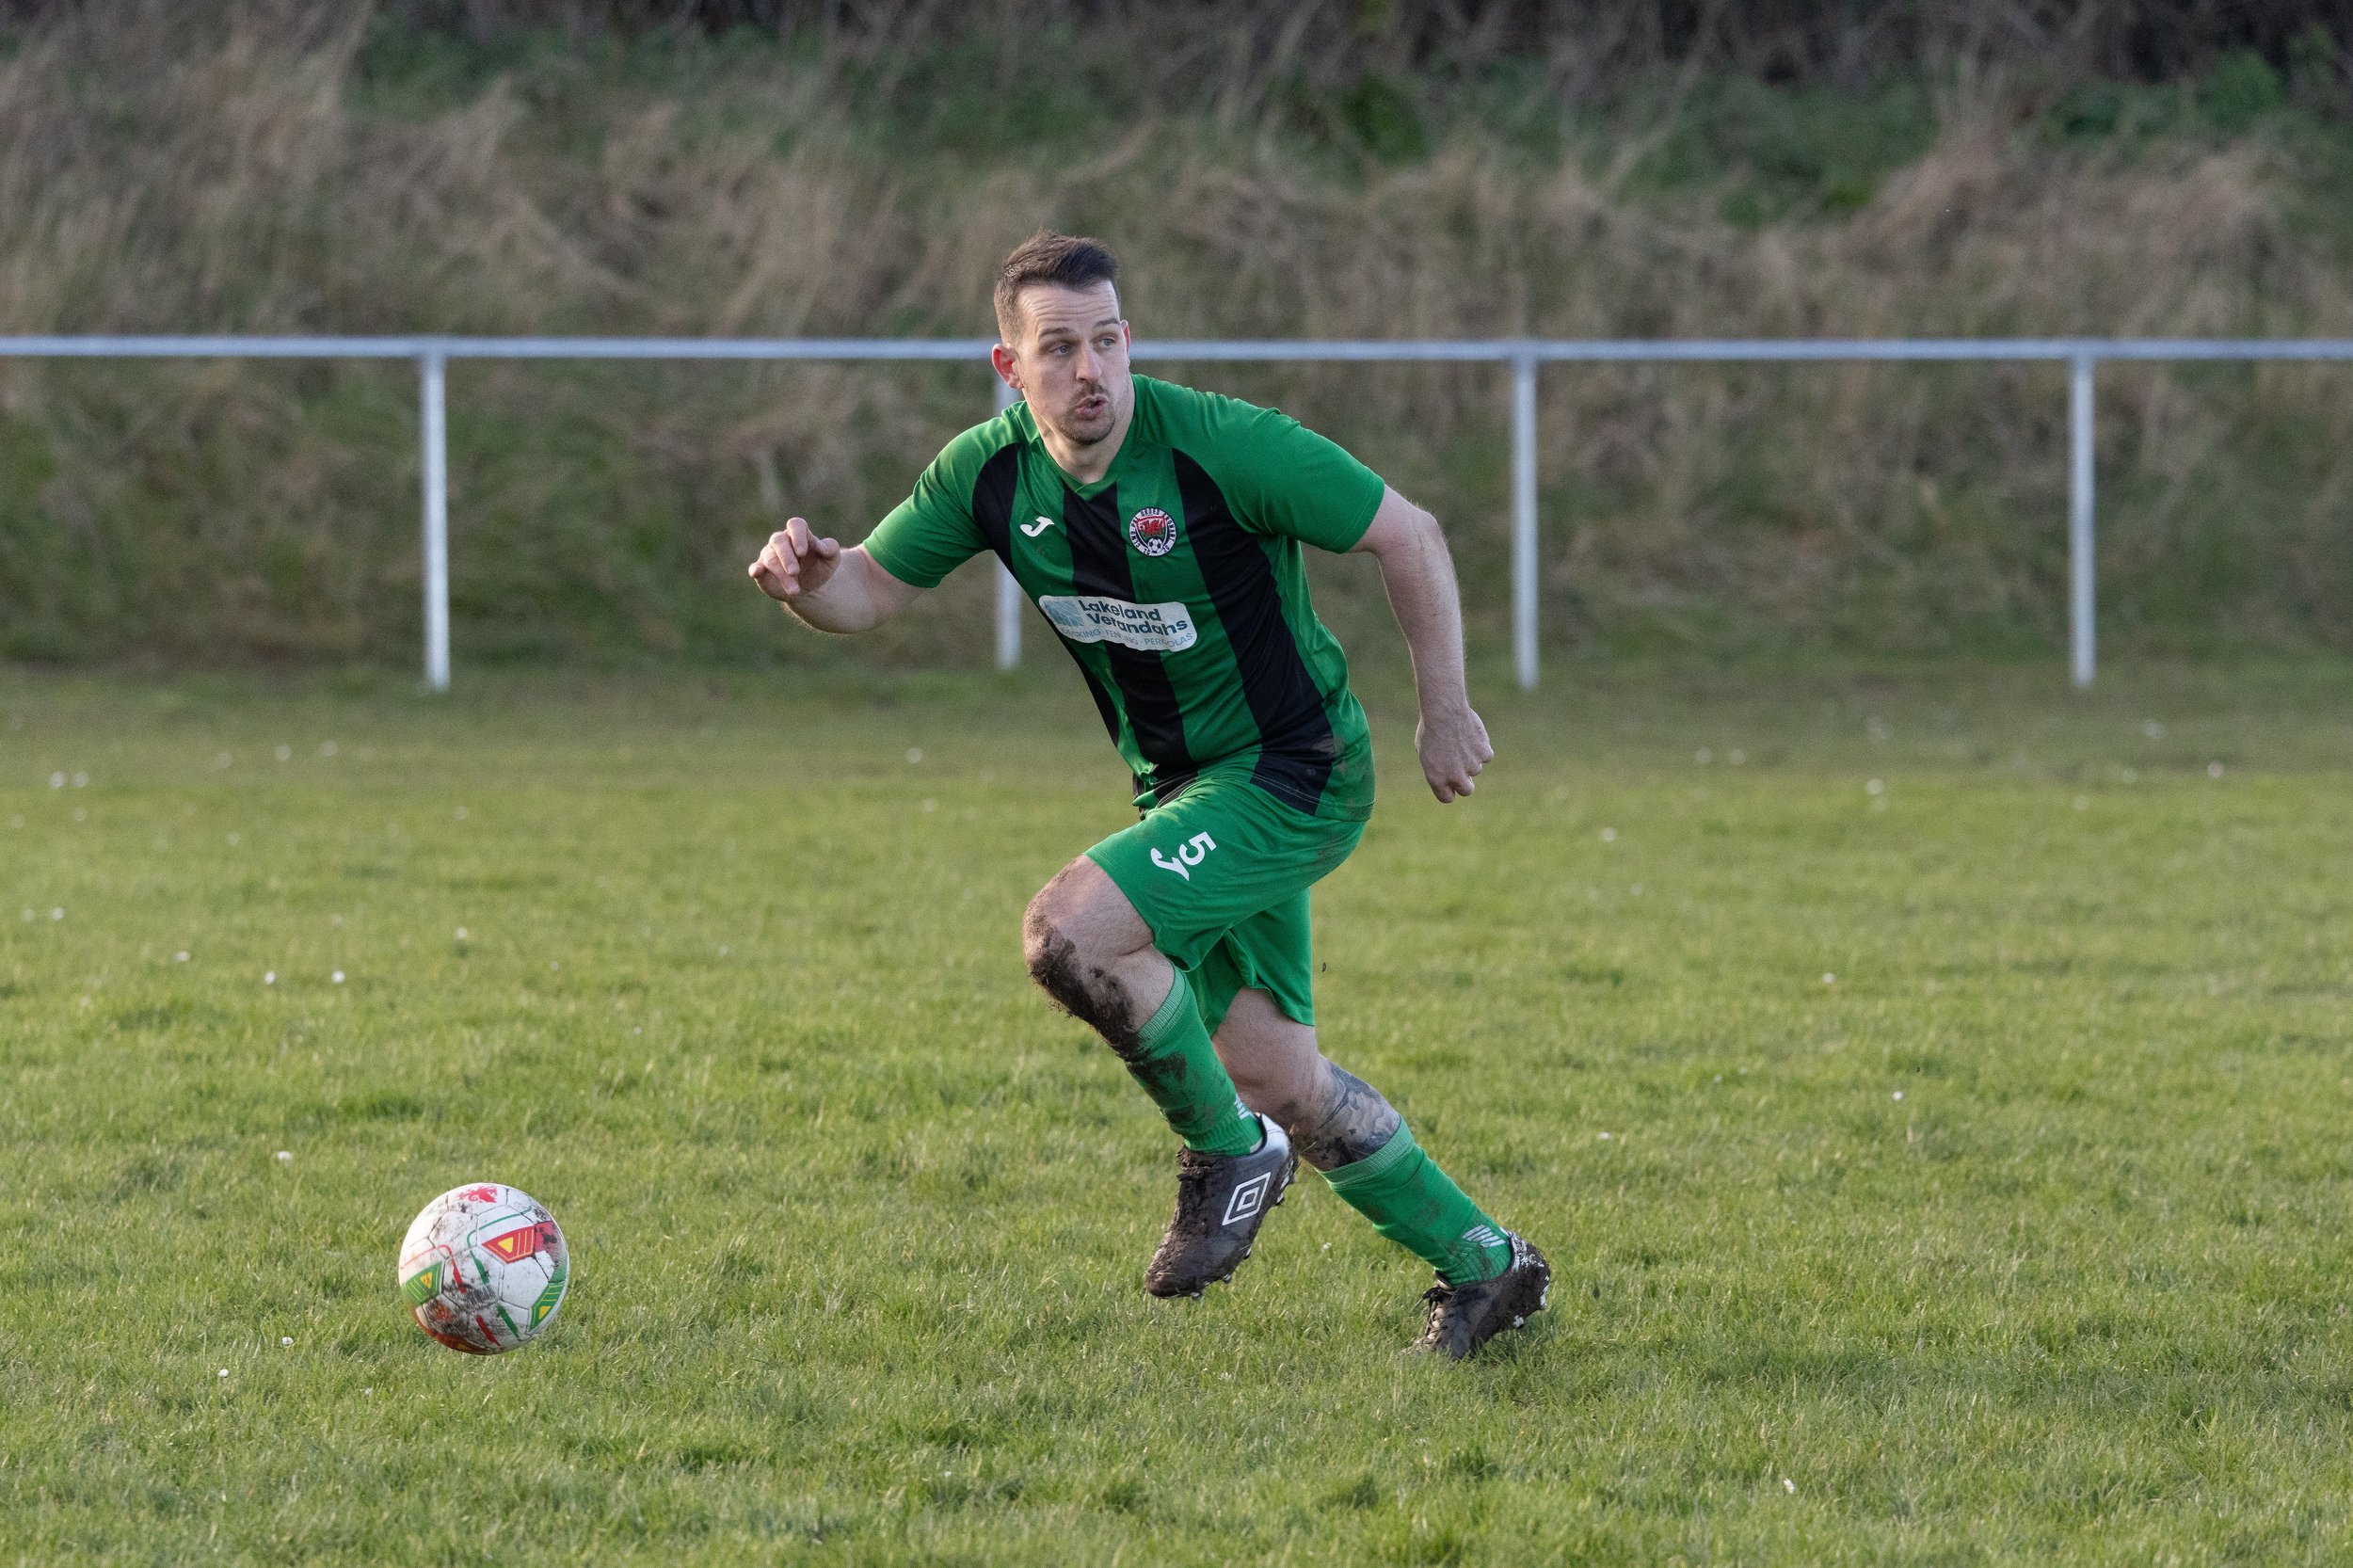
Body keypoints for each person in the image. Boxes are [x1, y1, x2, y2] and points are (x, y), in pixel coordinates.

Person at [748, 232, 1547, 1357]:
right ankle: (1488, 1265)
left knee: (1067, 932)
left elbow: (1406, 534)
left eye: (1108, 340)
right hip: (1183, 792)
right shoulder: (988, 472)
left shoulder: (1220, 446)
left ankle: (1231, 1157)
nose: (1090, 370)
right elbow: (867, 592)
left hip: (1293, 771)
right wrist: (809, 583)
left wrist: (1446, 708)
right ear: (1008, 366)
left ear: (1132, 344)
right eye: (1059, 347)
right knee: (1276, 1073)